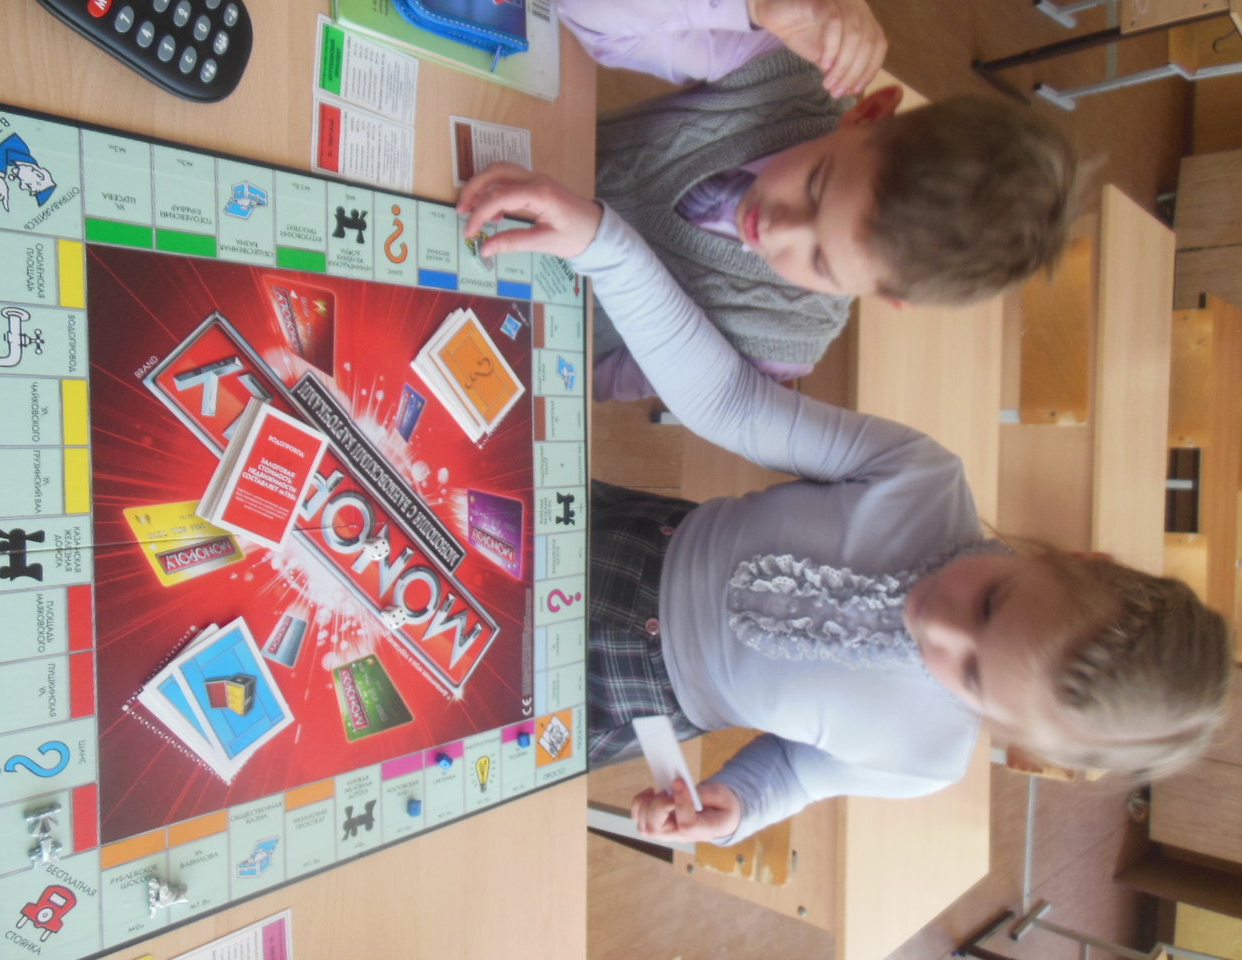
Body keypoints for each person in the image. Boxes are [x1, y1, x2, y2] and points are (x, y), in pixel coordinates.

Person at [456, 165, 1234, 845]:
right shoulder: (922, 480)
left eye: (971, 677)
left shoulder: (926, 759)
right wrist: (608, 247)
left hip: (618, 698)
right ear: (1074, 558)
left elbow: (798, 771)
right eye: (992, 602)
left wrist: (735, 807)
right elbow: (729, 402)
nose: (938, 624)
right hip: (611, 541)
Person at [556, 0, 1078, 401]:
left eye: (822, 261)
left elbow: (592, 378)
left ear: (889, 298)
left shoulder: (781, 343)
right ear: (867, 113)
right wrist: (754, 7)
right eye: (815, 186)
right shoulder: (785, 76)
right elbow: (584, 14)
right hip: (529, 146)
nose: (778, 229)